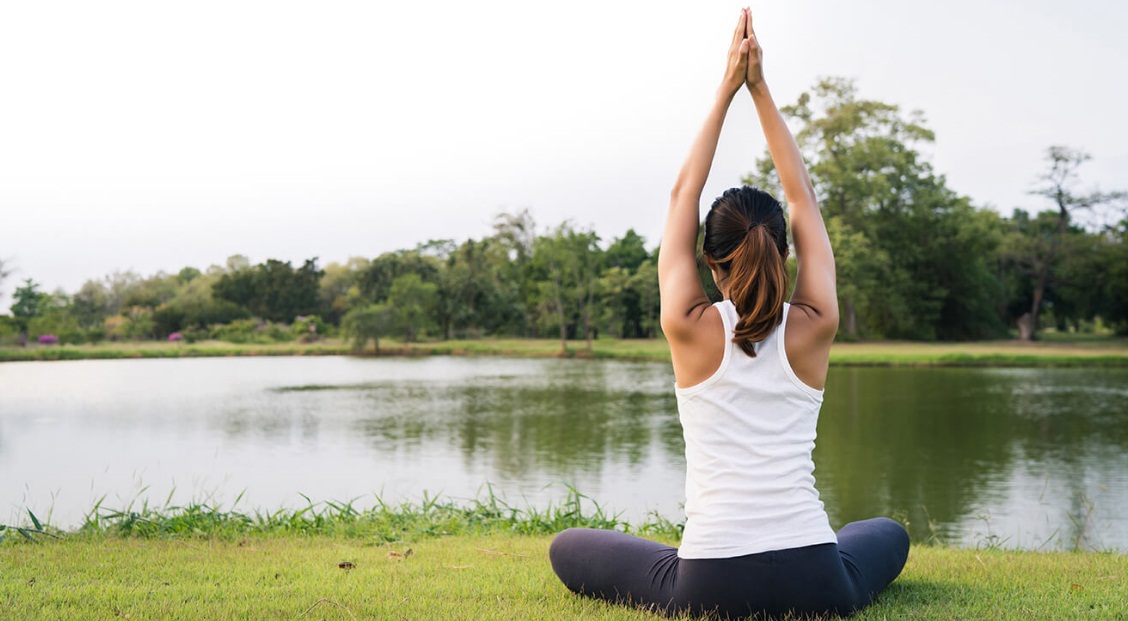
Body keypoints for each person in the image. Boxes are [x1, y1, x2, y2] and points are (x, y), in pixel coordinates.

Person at [548, 9, 909, 619]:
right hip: (820, 584)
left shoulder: (687, 326)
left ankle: (683, 555)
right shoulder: (814, 322)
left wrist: (726, 87)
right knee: (887, 532)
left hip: (709, 586)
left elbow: (681, 198)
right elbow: (802, 198)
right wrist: (761, 88)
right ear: (786, 253)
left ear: (710, 262)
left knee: (568, 548)